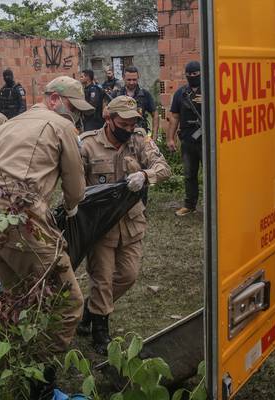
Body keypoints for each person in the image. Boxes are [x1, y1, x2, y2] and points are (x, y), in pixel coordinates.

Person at [0, 76, 92, 397]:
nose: (74, 116)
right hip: (22, 219)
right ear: (54, 99)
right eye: (72, 107)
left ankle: (11, 371)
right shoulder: (60, 126)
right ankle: (40, 382)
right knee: (67, 302)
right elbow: (76, 188)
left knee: (20, 298)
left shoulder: (5, 126)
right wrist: (70, 210)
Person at [77, 96, 171, 355]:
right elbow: (74, 185)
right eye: (124, 123)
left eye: (133, 123)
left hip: (130, 222)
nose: (129, 128)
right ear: (109, 119)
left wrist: (145, 175)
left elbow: (164, 168)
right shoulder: (87, 145)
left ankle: (90, 309)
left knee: (128, 276)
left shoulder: (139, 140)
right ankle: (100, 332)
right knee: (102, 279)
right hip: (100, 226)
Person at [167, 61, 203, 217]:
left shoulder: (210, 89)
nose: (193, 77)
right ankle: (190, 205)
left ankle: (214, 206)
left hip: (208, 141)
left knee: (212, 175)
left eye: (195, 74)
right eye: (190, 74)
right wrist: (170, 139)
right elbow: (174, 117)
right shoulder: (180, 93)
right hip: (188, 140)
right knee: (189, 175)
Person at [118, 66, 159, 140]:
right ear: (123, 78)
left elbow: (155, 114)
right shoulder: (117, 95)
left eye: (134, 79)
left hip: (140, 135)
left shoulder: (145, 94)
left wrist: (154, 134)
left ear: (138, 77)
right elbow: (107, 113)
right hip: (121, 136)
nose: (131, 82)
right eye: (129, 80)